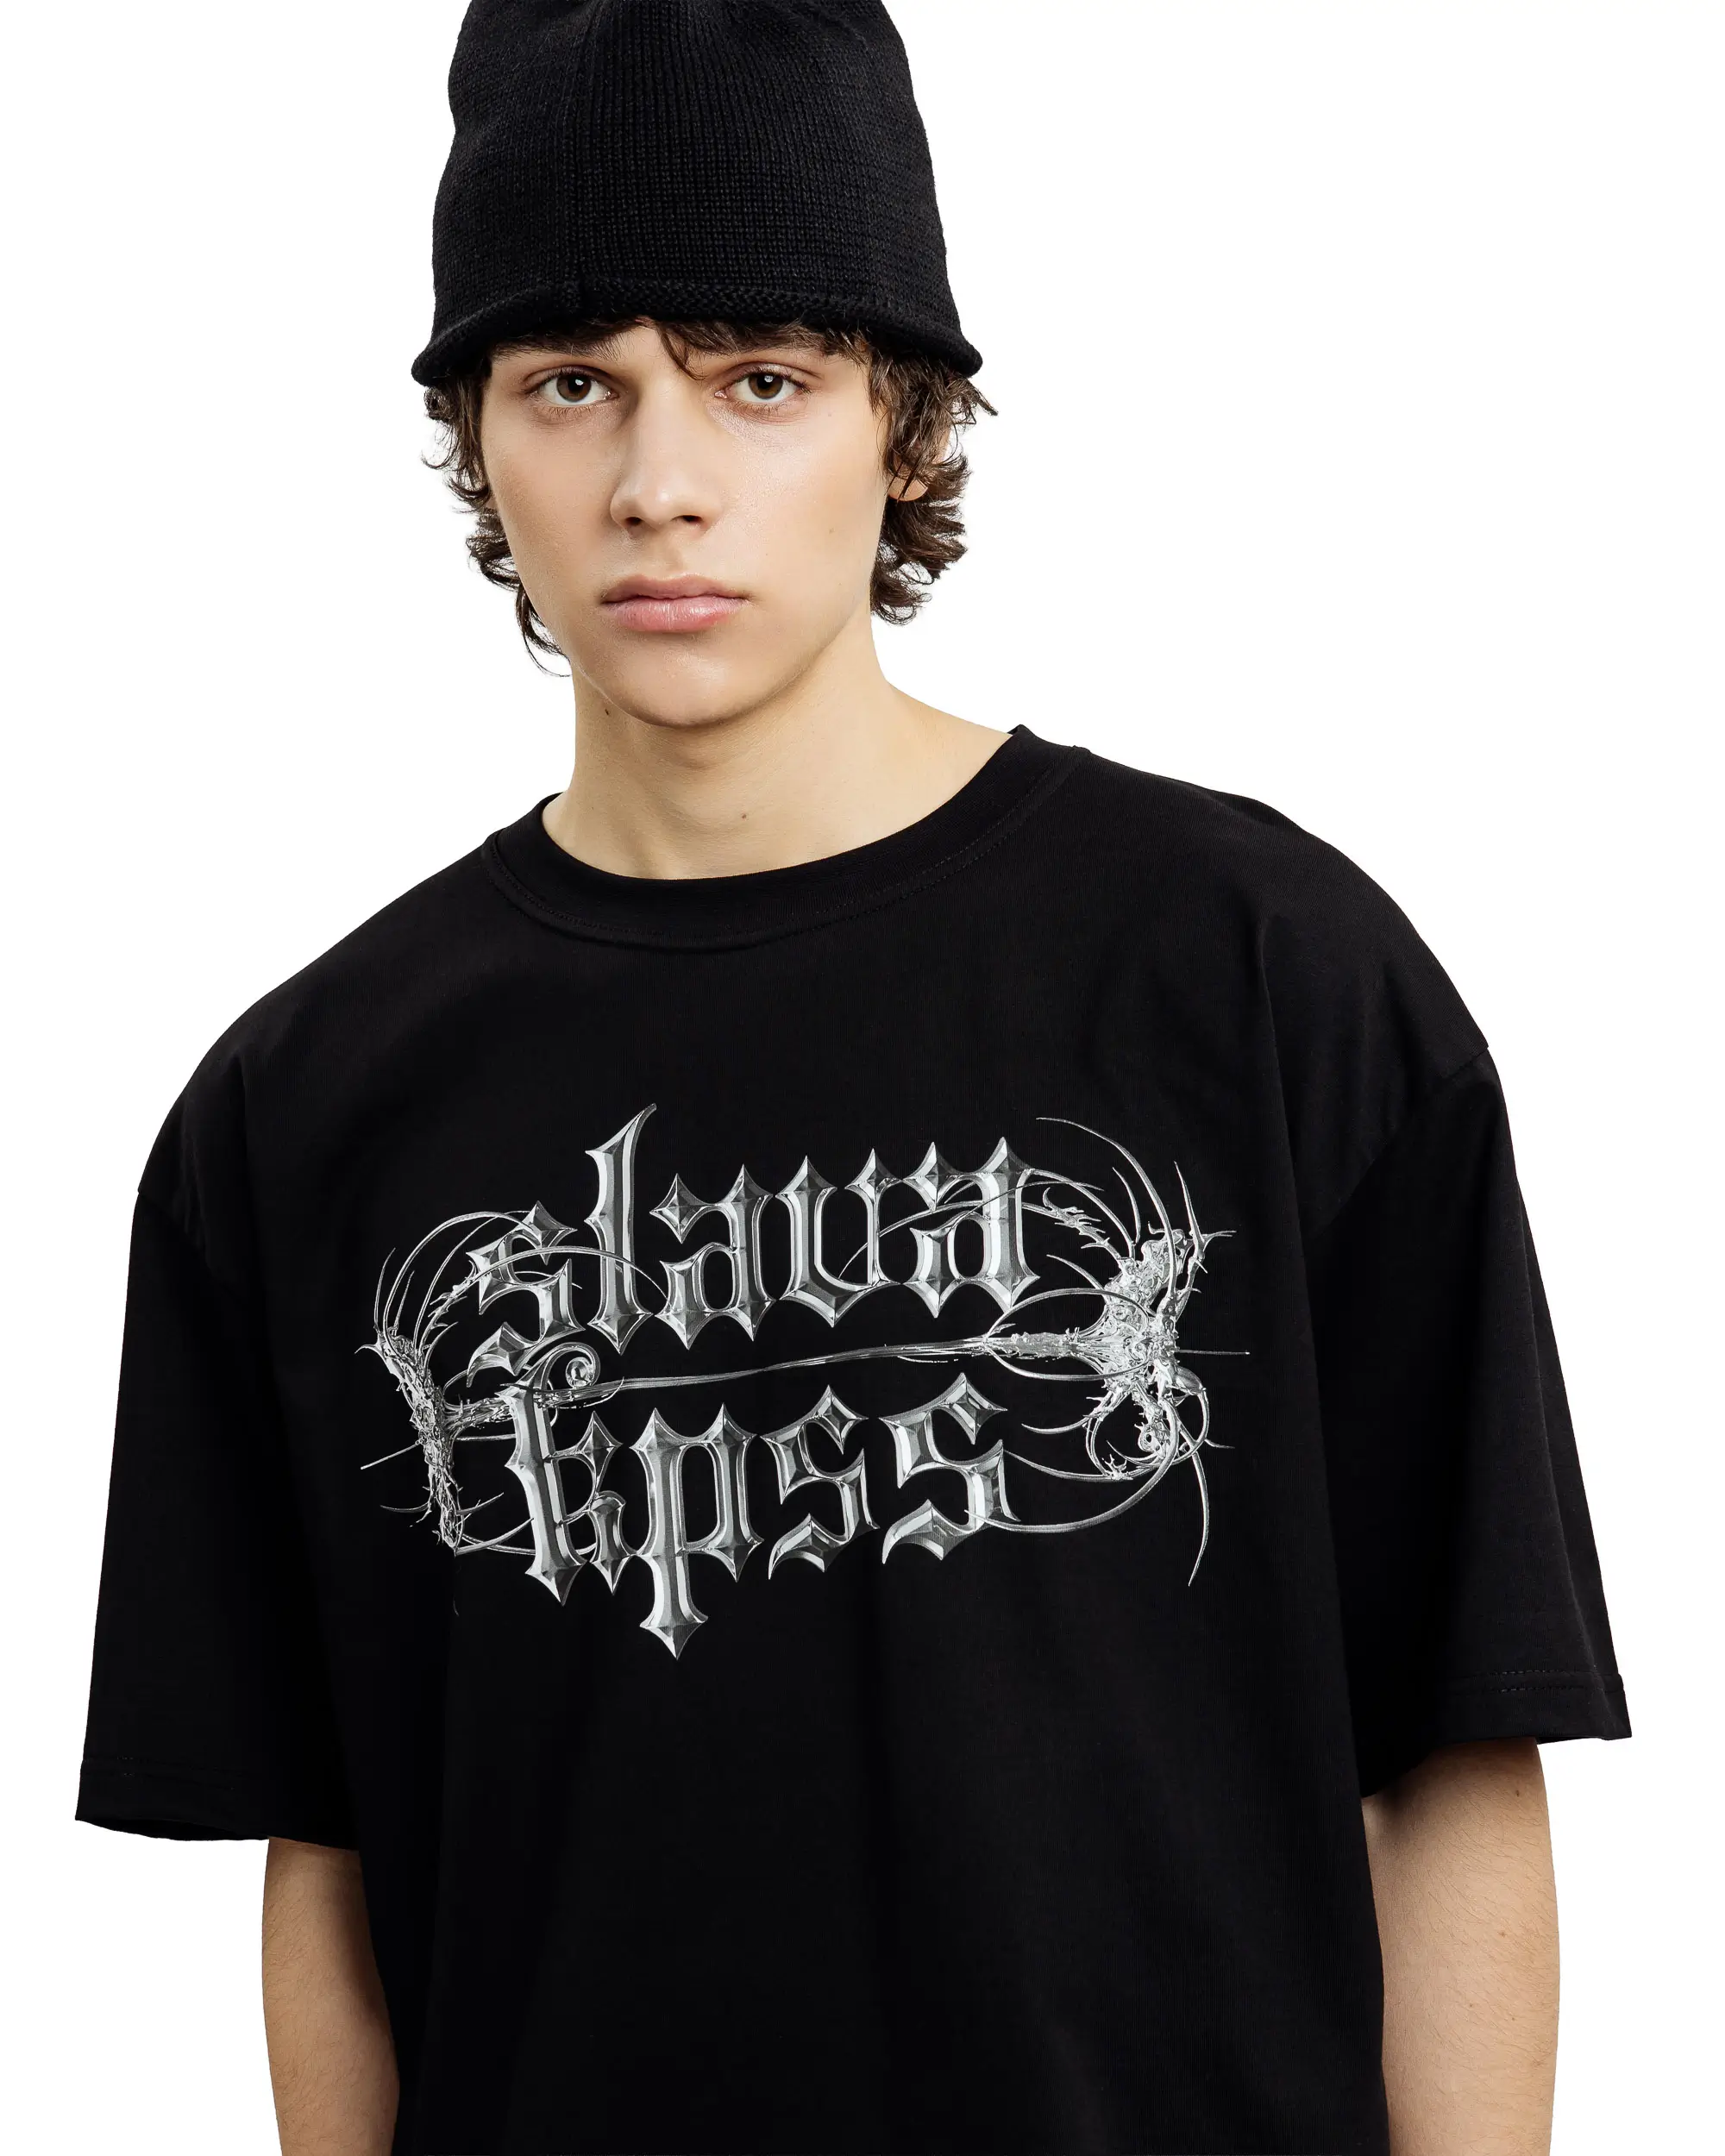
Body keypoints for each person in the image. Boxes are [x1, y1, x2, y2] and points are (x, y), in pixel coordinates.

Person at [75, 3, 1629, 2153]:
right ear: (476, 436)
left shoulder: (1264, 973)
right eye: (569, 383)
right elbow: (331, 1856)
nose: (658, 483)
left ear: (903, 421)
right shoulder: (300, 1105)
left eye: (761, 378)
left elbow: (1453, 1748)